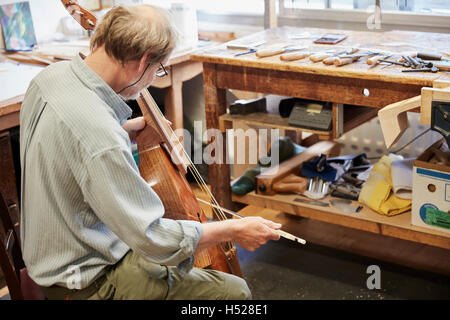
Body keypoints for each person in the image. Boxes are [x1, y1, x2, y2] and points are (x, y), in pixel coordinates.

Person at [19, 4, 281, 300]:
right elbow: (153, 238)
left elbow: (71, 142)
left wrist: (125, 130)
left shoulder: (49, 78)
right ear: (143, 60)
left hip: (49, 256)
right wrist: (233, 229)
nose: (154, 77)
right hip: (87, 281)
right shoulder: (101, 137)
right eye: (158, 70)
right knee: (234, 293)